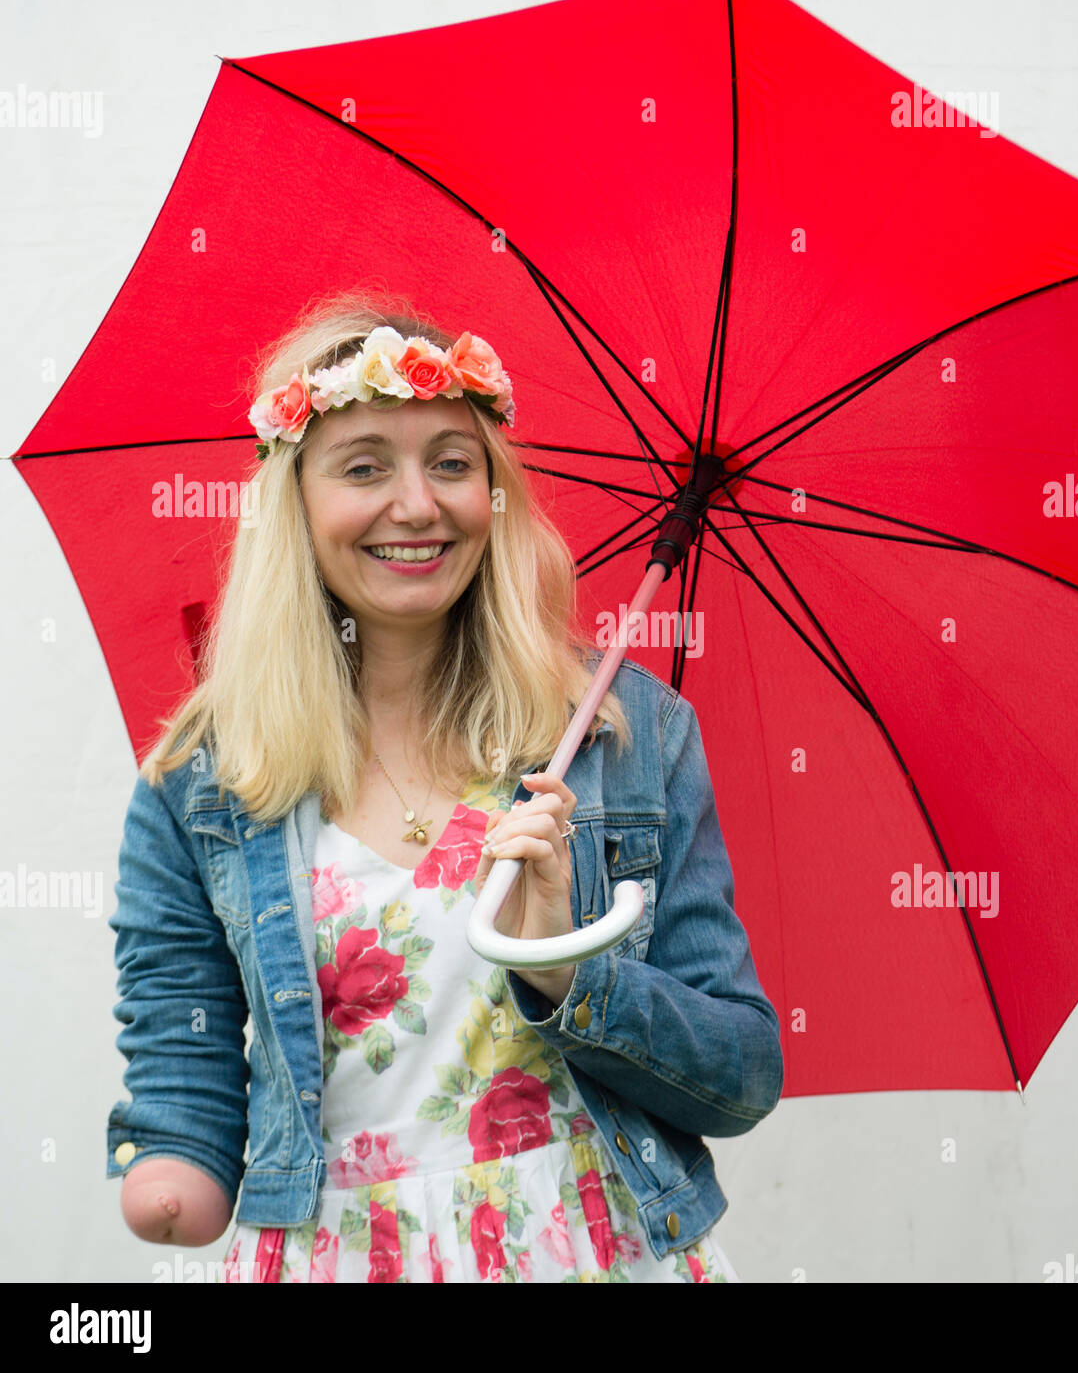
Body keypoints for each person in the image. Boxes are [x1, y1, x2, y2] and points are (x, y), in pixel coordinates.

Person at [106, 291, 784, 1282]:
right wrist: (171, 1165)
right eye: (365, 465)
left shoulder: (616, 735)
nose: (417, 504)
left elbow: (740, 1075)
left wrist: (565, 969)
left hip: (590, 1251)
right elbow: (180, 1053)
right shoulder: (207, 777)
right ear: (294, 500)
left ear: (494, 495)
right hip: (333, 1255)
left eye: (452, 463)